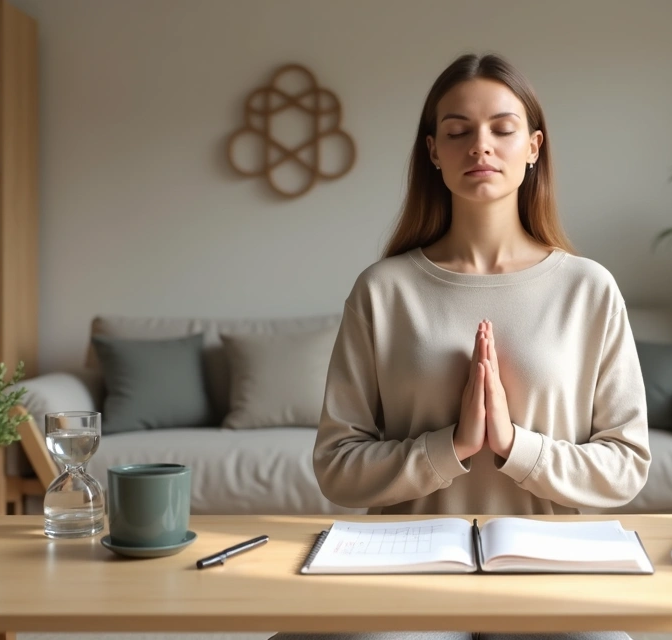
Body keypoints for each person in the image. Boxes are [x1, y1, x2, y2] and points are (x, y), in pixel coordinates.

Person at [272, 52, 650, 640]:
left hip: (547, 572)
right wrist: (449, 449)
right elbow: (336, 466)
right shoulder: (382, 289)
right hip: (403, 570)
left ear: (533, 147)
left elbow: (627, 466)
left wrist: (514, 447)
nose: (481, 146)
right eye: (458, 131)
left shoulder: (588, 288)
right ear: (433, 152)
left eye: (502, 129)